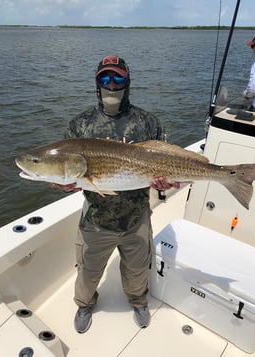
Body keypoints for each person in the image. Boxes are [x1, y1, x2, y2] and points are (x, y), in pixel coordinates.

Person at [52, 55, 179, 334]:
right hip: (96, 219)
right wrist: (62, 183)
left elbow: (167, 163)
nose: (112, 84)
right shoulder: (79, 126)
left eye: (118, 78)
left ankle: (138, 300)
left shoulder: (148, 122)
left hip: (137, 216)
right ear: (97, 83)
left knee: (137, 270)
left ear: (127, 81)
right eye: (105, 78)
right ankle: (85, 304)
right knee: (87, 271)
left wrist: (164, 183)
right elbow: (67, 168)